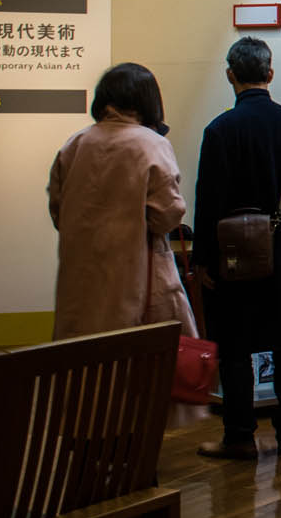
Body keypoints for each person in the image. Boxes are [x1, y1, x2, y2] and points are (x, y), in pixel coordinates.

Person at [193, 38, 281, 460]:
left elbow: (208, 199)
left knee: (235, 349)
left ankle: (240, 437)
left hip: (233, 259)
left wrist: (203, 260)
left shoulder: (219, 130)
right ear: (270, 73)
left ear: (230, 74)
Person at [48, 63, 196, 341]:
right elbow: (168, 215)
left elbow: (58, 212)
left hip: (79, 290)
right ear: (148, 100)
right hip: (136, 286)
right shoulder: (151, 144)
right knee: (138, 370)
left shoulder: (74, 144)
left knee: (85, 371)